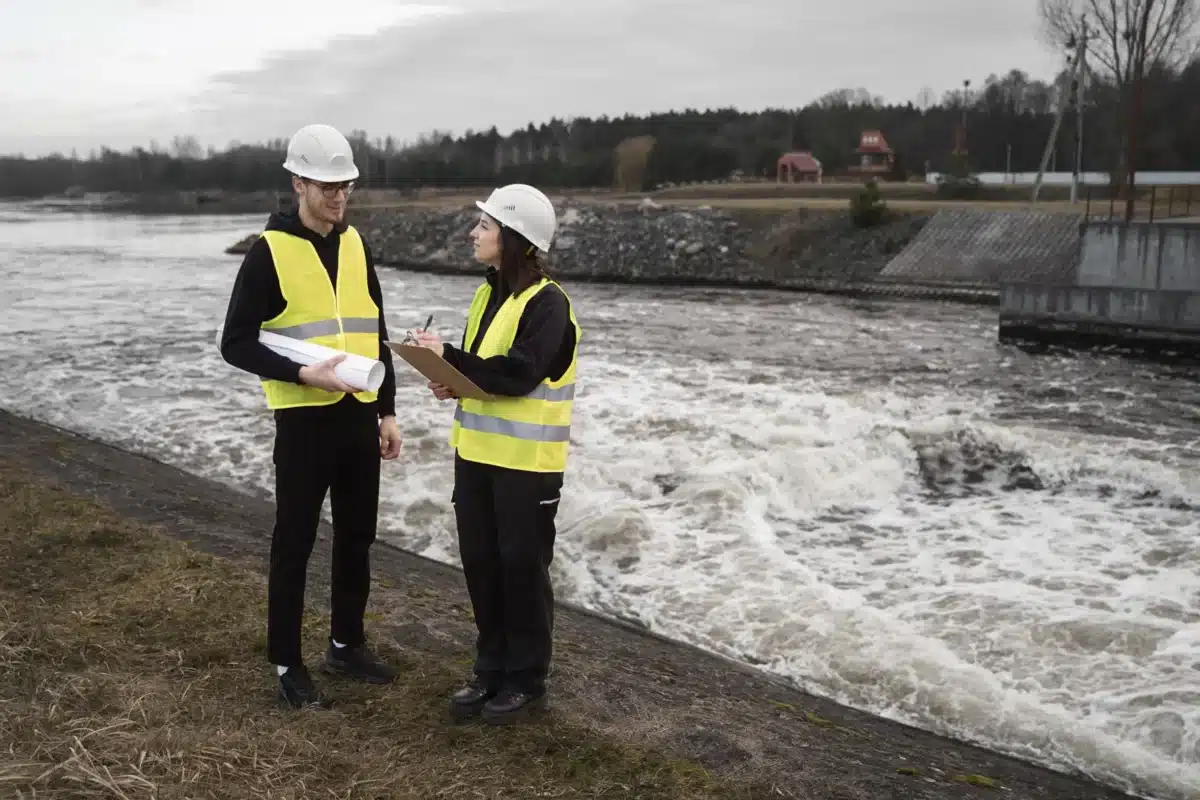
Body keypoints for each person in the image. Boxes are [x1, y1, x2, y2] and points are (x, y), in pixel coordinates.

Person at [219, 123, 403, 710]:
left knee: (356, 538)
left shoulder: (355, 244)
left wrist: (388, 409)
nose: (338, 196)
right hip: (302, 424)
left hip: (357, 418)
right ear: (298, 183)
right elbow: (236, 342)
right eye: (326, 185)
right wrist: (301, 374)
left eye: (345, 185)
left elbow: (375, 328)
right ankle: (286, 663)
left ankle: (346, 645)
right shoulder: (268, 252)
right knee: (293, 542)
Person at [415, 183, 580, 726]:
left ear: (514, 239)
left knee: (521, 570)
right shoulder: (486, 295)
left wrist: (453, 359)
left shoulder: (549, 304)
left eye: (485, 226)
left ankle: (525, 679)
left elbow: (519, 373)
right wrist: (448, 378)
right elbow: (482, 375)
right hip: (477, 457)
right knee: (482, 565)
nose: (474, 233)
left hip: (527, 468)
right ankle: (490, 669)